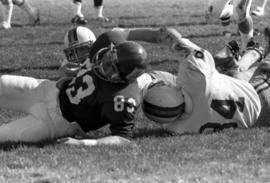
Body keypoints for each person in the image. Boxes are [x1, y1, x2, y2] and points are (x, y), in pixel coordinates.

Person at [0, 30, 151, 146]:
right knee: (2, 82)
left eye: (112, 69)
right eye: (107, 59)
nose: (104, 67)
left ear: (126, 78)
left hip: (56, 123)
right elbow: (123, 32)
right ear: (112, 49)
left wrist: (84, 143)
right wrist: (157, 35)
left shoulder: (123, 98)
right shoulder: (108, 41)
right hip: (49, 90)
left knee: (3, 134)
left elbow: (123, 138)